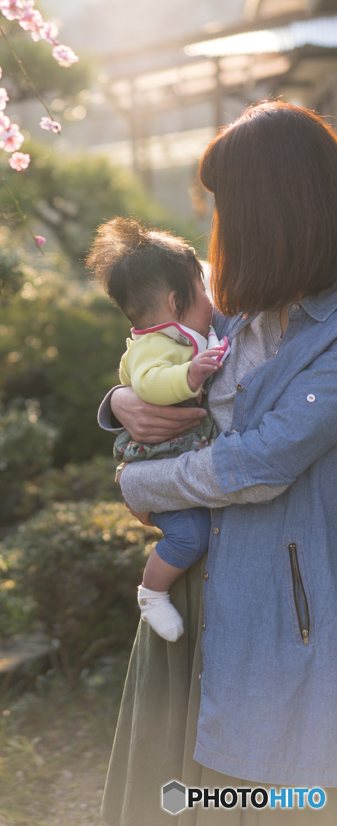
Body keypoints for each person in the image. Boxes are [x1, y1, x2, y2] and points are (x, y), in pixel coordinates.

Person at [98, 102, 337, 825]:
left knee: (273, 792)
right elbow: (157, 352)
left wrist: (134, 481)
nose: (216, 226)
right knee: (174, 792)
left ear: (273, 209)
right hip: (203, 598)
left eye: (225, 206)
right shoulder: (245, 315)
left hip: (279, 616)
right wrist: (117, 401)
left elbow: (259, 464)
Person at [86, 218, 227, 642]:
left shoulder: (181, 337)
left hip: (180, 461)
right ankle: (152, 593)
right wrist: (190, 375)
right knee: (190, 536)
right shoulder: (155, 347)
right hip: (160, 463)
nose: (211, 301)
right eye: (202, 291)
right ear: (174, 301)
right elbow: (148, 383)